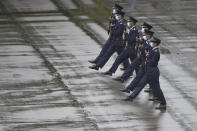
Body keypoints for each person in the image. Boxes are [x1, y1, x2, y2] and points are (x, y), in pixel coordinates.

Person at [122, 37, 167, 110]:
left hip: (152, 72)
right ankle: (131, 97)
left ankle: (163, 103)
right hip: (149, 71)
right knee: (141, 84)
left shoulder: (156, 52)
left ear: (155, 44)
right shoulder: (153, 50)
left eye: (153, 42)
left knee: (156, 89)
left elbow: (153, 62)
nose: (151, 43)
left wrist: (147, 57)